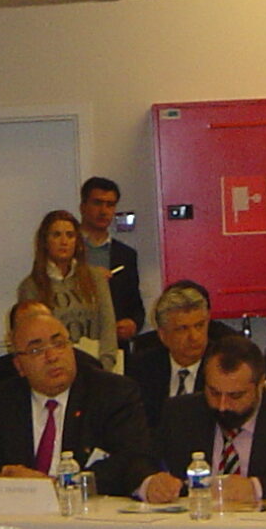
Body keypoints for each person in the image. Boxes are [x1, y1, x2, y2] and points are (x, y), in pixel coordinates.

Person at [0, 300, 152, 495]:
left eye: (59, 344)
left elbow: (131, 461)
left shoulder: (113, 393)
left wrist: (55, 486)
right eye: (36, 350)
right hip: (18, 509)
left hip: (87, 508)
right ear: (19, 366)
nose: (52, 357)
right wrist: (5, 482)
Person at [142, 331, 266, 505]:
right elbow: (142, 462)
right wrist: (153, 483)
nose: (222, 406)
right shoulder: (180, 413)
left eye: (235, 396)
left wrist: (256, 488)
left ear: (260, 385)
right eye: (214, 393)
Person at [16, 208, 121, 368]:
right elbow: (32, 338)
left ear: (77, 242)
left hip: (96, 365)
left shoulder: (96, 278)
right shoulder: (31, 287)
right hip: (55, 368)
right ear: (45, 241)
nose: (64, 241)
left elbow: (108, 326)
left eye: (70, 235)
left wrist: (105, 365)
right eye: (56, 235)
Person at [128, 282, 215, 414]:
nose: (194, 337)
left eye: (199, 326)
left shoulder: (222, 365)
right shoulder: (142, 369)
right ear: (163, 335)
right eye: (183, 329)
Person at [77, 175, 146, 343]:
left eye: (110, 205)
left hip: (114, 343)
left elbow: (136, 307)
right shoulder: (66, 250)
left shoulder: (126, 255)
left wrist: (133, 324)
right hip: (75, 342)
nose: (103, 211)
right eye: (97, 203)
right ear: (83, 206)